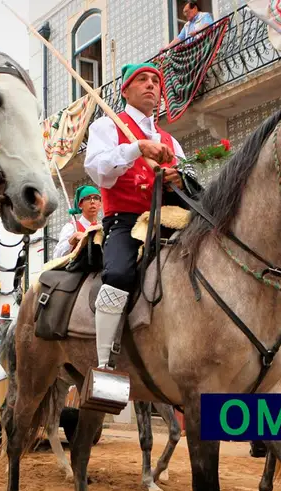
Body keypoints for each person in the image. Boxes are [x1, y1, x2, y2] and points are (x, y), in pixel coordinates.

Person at [83, 62, 200, 407]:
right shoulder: (107, 125)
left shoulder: (170, 140)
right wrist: (137, 149)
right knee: (118, 273)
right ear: (126, 90)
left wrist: (180, 179)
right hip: (125, 218)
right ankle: (105, 364)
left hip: (168, 217)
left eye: (155, 82)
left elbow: (185, 184)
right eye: (142, 80)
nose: (151, 86)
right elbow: (99, 171)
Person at [52, 185, 103, 259]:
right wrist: (71, 241)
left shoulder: (102, 229)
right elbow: (56, 256)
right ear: (80, 205)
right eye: (88, 198)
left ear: (100, 204)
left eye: (96, 198)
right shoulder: (71, 227)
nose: (92, 202)